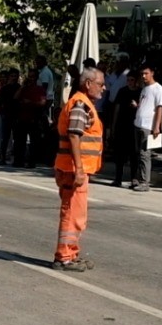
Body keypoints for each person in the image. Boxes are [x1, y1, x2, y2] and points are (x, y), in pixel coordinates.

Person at [52, 68, 106, 272]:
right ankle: (64, 256)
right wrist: (80, 168)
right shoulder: (81, 104)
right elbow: (74, 135)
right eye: (100, 84)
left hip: (72, 168)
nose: (103, 87)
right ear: (88, 83)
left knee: (77, 214)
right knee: (72, 213)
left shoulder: (82, 103)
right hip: (74, 170)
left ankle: (71, 253)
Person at [130, 63, 162, 192]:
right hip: (138, 123)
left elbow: (159, 108)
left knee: (145, 154)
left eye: (146, 73)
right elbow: (145, 105)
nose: (144, 76)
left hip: (148, 126)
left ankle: (145, 182)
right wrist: (137, 106)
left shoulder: (158, 89)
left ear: (152, 73)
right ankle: (137, 179)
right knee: (137, 153)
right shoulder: (145, 89)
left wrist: (156, 126)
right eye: (142, 74)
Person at [106, 72, 141, 187]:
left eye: (132, 80)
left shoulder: (140, 92)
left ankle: (134, 178)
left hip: (135, 126)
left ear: (136, 81)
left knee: (134, 153)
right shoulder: (123, 91)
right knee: (120, 153)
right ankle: (118, 178)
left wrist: (137, 106)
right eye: (128, 80)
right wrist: (113, 126)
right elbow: (117, 108)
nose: (130, 83)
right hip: (122, 125)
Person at [12, 71, 48, 169]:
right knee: (20, 141)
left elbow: (43, 102)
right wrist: (23, 86)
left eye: (32, 77)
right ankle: (19, 160)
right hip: (22, 118)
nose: (31, 79)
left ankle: (31, 162)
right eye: (29, 77)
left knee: (33, 142)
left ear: (36, 78)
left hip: (33, 119)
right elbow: (15, 97)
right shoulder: (24, 89)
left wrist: (31, 102)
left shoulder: (39, 89)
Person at [0, 68, 19, 165]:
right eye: (12, 76)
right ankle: (2, 157)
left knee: (16, 138)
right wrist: (2, 112)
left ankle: (14, 157)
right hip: (6, 115)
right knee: (4, 137)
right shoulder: (4, 89)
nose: (14, 78)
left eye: (15, 76)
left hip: (16, 116)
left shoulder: (19, 88)